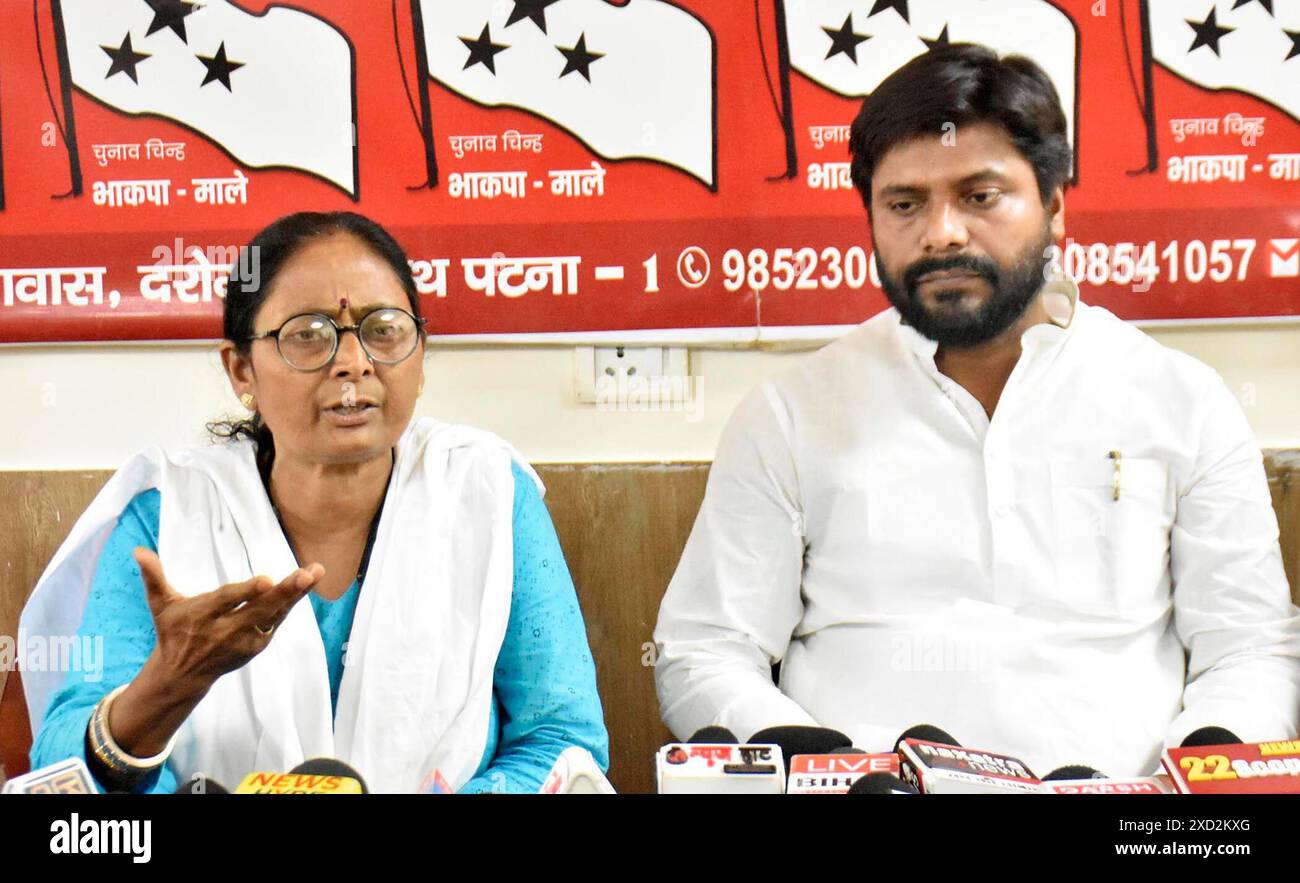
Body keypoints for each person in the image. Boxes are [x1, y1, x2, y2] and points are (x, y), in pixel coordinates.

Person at [653, 44, 1300, 778]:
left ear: (1054, 207)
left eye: (980, 195)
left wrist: (1201, 775)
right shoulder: (791, 413)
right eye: (905, 203)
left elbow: (1249, 649)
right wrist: (833, 769)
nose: (942, 233)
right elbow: (706, 649)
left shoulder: (1183, 401)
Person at [23, 211, 608, 793]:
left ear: (421, 352)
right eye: (309, 334)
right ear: (240, 369)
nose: (354, 362)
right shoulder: (168, 517)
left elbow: (562, 742)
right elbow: (60, 770)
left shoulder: (485, 493)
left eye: (384, 330)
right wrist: (164, 688)